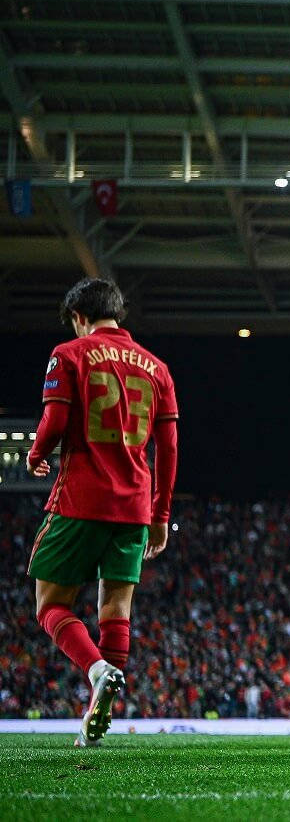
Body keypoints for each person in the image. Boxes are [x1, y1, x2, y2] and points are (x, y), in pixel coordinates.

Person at [25, 277, 179, 748]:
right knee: (116, 607)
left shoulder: (69, 354)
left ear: (78, 318)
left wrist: (36, 454)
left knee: (50, 605)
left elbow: (54, 419)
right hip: (134, 506)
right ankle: (99, 704)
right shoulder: (158, 368)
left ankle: (96, 670)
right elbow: (168, 447)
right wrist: (159, 513)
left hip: (80, 498)